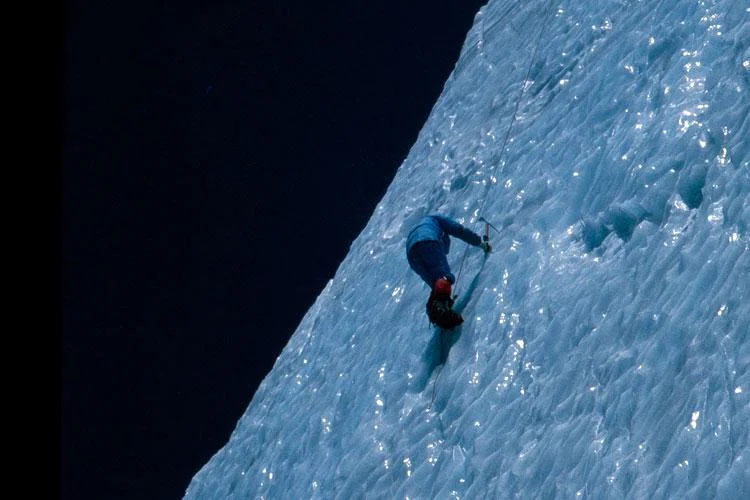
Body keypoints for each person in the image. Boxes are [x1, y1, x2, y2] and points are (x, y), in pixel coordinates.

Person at [406, 214, 491, 329]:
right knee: (446, 278)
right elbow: (459, 230)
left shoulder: (426, 224)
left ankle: (435, 311)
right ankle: (443, 315)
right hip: (428, 241)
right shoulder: (436, 219)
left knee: (436, 284)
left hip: (411, 255)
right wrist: (480, 243)